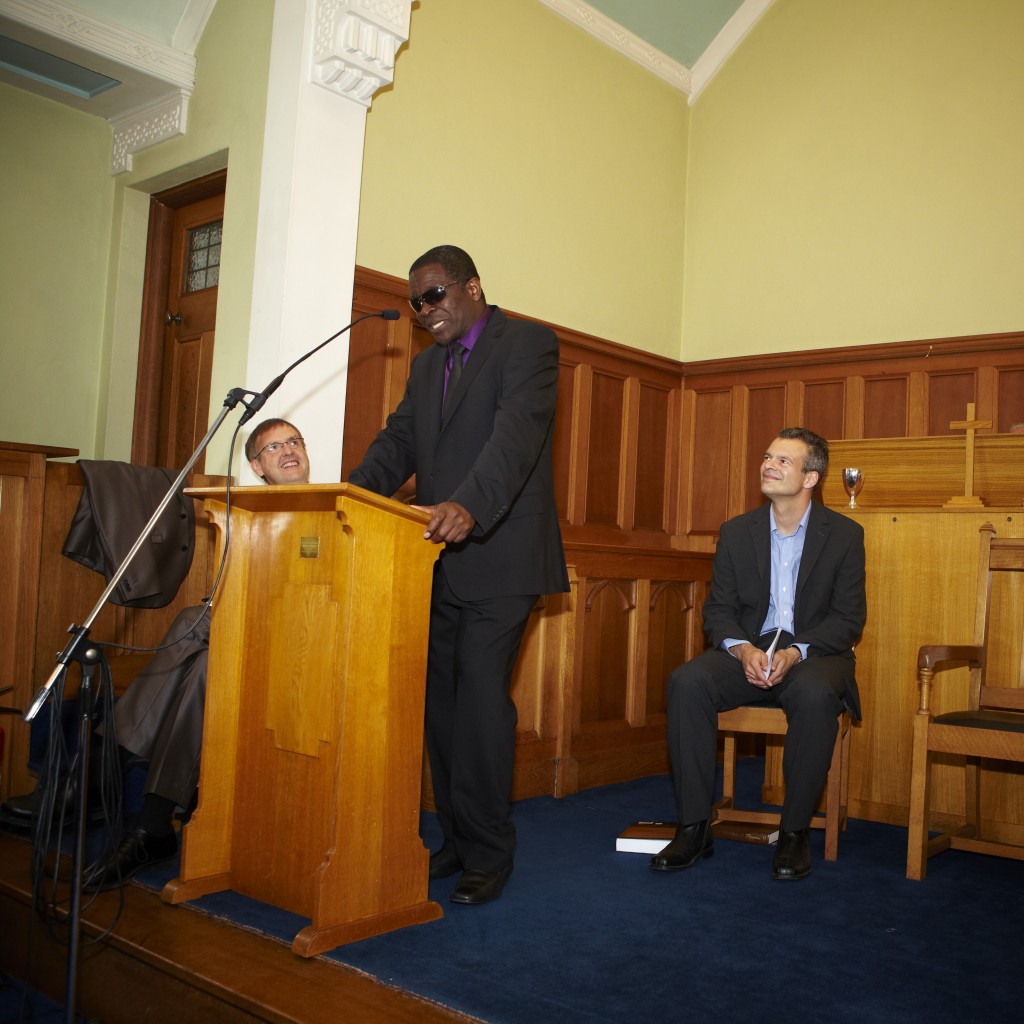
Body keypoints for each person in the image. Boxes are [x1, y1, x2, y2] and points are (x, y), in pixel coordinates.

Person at [348, 245, 568, 905]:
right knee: (440, 708)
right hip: (432, 558)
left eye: (435, 295)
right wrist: (348, 499)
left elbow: (516, 437)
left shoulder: (526, 344)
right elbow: (397, 444)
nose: (425, 310)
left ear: (472, 287)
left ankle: (490, 853)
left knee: (478, 703)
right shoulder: (425, 367)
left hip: (502, 554)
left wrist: (468, 505)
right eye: (416, 302)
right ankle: (456, 839)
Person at [83, 418, 311, 890]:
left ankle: (102, 766)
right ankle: (153, 825)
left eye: (294, 442)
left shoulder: (338, 509)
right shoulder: (246, 516)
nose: (288, 451)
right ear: (257, 467)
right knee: (204, 661)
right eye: (273, 448)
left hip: (304, 647)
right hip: (245, 639)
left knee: (193, 619)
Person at [652, 427, 865, 881]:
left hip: (814, 654)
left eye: (784, 460)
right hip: (749, 647)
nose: (769, 465)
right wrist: (743, 648)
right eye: (768, 456)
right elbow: (718, 611)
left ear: (810, 478)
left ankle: (793, 833)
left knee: (813, 694)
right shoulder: (736, 531)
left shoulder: (845, 535)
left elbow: (848, 619)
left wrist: (796, 652)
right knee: (687, 681)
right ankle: (693, 827)